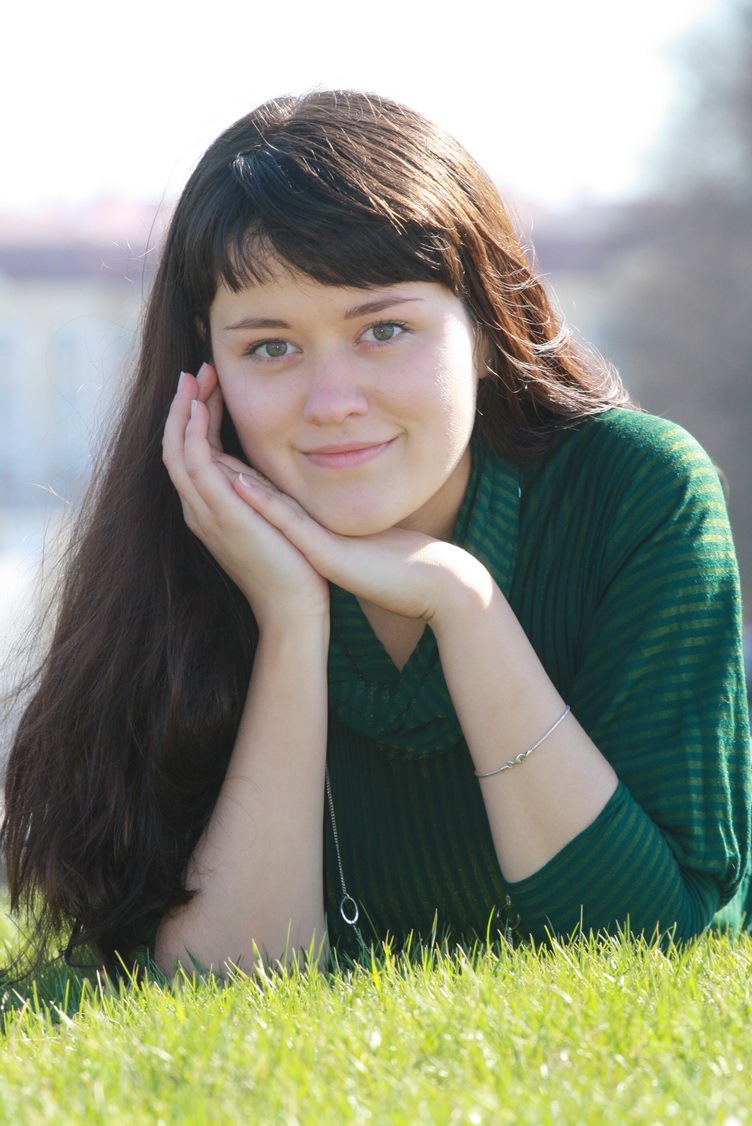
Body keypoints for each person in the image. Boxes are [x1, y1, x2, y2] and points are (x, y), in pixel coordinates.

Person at [2, 90, 750, 978]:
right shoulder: (180, 548)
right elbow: (221, 986)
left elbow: (653, 941)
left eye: (384, 330)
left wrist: (462, 602)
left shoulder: (637, 492)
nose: (332, 403)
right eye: (271, 347)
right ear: (207, 369)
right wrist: (292, 617)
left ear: (482, 330)